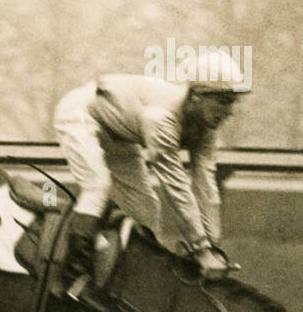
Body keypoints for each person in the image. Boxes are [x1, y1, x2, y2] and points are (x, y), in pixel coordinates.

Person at [52, 48, 248, 290]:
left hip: (120, 132)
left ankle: (114, 273)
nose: (230, 111)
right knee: (98, 185)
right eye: (223, 101)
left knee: (146, 211)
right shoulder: (161, 119)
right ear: (196, 95)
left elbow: (205, 185)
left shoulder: (208, 129)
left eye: (233, 102)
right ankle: (70, 273)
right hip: (80, 114)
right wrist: (200, 249)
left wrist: (212, 246)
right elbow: (175, 187)